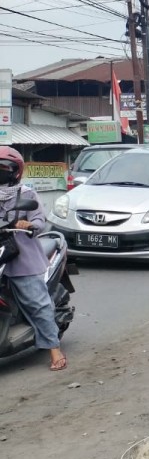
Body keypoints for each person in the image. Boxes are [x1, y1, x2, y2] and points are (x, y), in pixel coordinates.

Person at [0, 147, 66, 371]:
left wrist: (29, 225)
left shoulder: (27, 194)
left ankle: (54, 350)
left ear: (15, 171)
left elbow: (39, 220)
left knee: (36, 303)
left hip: (21, 256)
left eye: (3, 168)